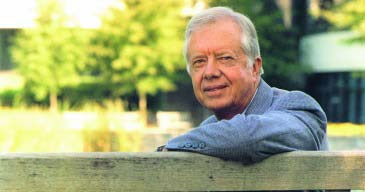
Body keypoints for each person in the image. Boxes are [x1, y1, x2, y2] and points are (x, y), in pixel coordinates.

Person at [156, 6, 328, 164]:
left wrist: (172, 146)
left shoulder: (298, 109)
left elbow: (246, 137)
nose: (210, 72)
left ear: (254, 68)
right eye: (199, 62)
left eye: (225, 58)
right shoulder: (208, 131)